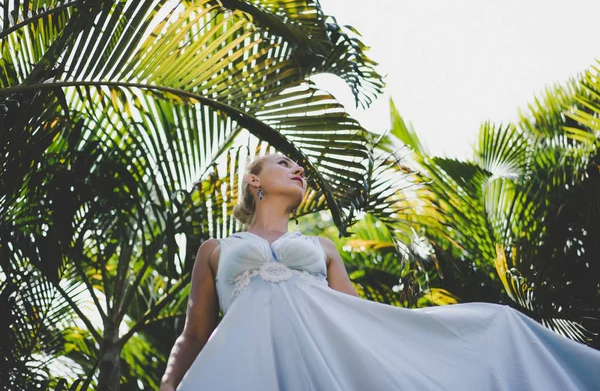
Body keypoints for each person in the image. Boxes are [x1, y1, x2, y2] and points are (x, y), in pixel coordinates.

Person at [160, 153, 600, 391]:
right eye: (284, 164)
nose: (299, 170)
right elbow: (195, 334)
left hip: (317, 366)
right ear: (254, 181)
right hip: (241, 370)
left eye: (301, 168)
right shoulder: (216, 249)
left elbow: (358, 319)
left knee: (499, 323)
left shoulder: (322, 247)